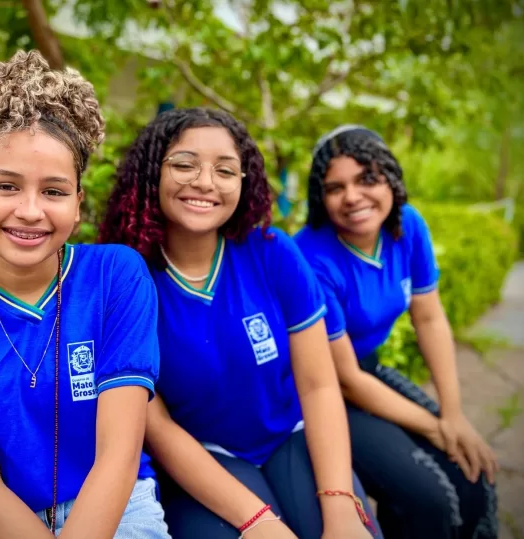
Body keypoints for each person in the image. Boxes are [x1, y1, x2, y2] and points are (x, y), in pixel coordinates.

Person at [0, 50, 170, 539]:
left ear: (78, 202)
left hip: (119, 509)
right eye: (5, 185)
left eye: (53, 191)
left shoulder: (115, 276)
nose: (29, 211)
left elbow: (117, 455)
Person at [98, 107, 381, 539]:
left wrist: (340, 505)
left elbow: (319, 385)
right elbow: (157, 427)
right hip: (202, 456)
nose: (205, 182)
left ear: (243, 183)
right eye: (184, 164)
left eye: (225, 170)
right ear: (152, 173)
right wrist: (258, 521)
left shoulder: (272, 252)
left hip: (290, 436)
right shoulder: (127, 281)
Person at [294, 125, 499, 539]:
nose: (353, 196)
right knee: (428, 497)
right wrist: (437, 426)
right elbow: (346, 380)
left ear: (391, 178)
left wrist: (454, 414)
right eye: (336, 187)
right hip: (313, 392)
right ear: (321, 197)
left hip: (365, 371)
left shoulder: (407, 226)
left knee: (473, 473)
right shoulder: (310, 257)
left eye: (367, 178)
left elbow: (429, 318)